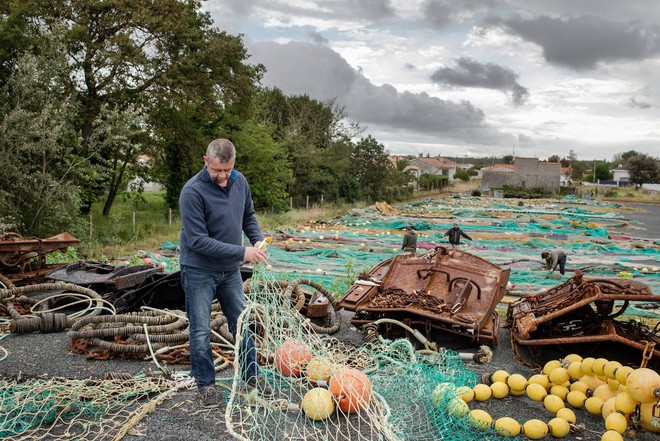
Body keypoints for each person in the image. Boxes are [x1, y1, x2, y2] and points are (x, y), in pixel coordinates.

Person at [179, 138, 272, 408]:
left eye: (227, 170)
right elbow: (198, 241)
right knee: (200, 330)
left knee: (242, 325)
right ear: (205, 161)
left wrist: (256, 239)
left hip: (229, 270)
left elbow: (248, 216)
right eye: (217, 170)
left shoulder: (239, 181)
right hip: (198, 270)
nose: (222, 176)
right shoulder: (192, 192)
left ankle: (251, 377)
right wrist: (243, 253)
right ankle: (206, 385)